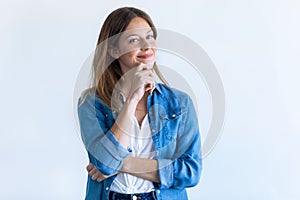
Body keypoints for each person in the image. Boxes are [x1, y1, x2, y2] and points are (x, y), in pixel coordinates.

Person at [77, 7, 202, 200]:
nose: (147, 46)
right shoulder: (91, 103)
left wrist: (124, 163)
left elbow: (191, 172)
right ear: (114, 49)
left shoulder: (180, 103)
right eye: (134, 40)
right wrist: (132, 100)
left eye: (150, 37)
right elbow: (104, 165)